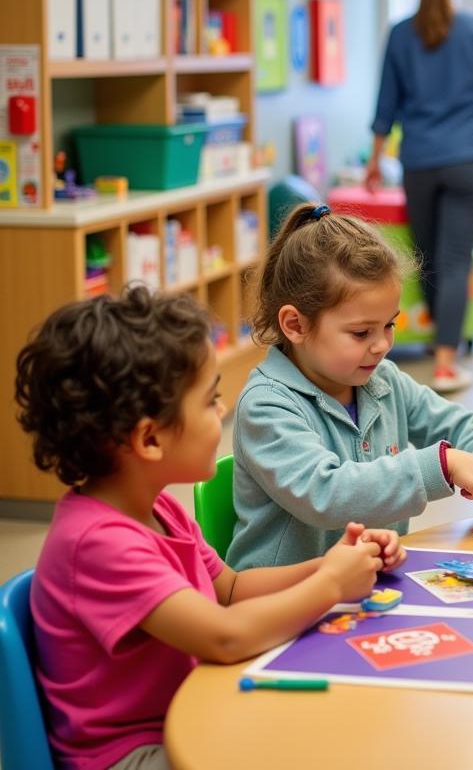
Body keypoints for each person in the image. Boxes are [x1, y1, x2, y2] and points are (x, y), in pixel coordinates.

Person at [16, 288, 399, 770]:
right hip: (133, 754)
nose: (221, 412)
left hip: (187, 712)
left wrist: (335, 561)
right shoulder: (98, 542)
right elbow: (225, 636)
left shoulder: (157, 510)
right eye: (209, 400)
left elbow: (232, 589)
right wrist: (330, 585)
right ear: (150, 438)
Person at [228, 202, 473, 570]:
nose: (382, 344)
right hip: (281, 602)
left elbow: (460, 425)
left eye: (389, 325)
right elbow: (326, 493)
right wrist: (441, 466)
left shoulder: (382, 380)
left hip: (365, 588)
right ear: (295, 325)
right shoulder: (267, 405)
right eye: (361, 332)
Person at [365, 0, 473, 393]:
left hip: (418, 161)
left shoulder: (401, 34)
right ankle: (445, 361)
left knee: (429, 256)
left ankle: (440, 343)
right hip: (468, 159)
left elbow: (385, 105)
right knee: (455, 258)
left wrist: (375, 160)